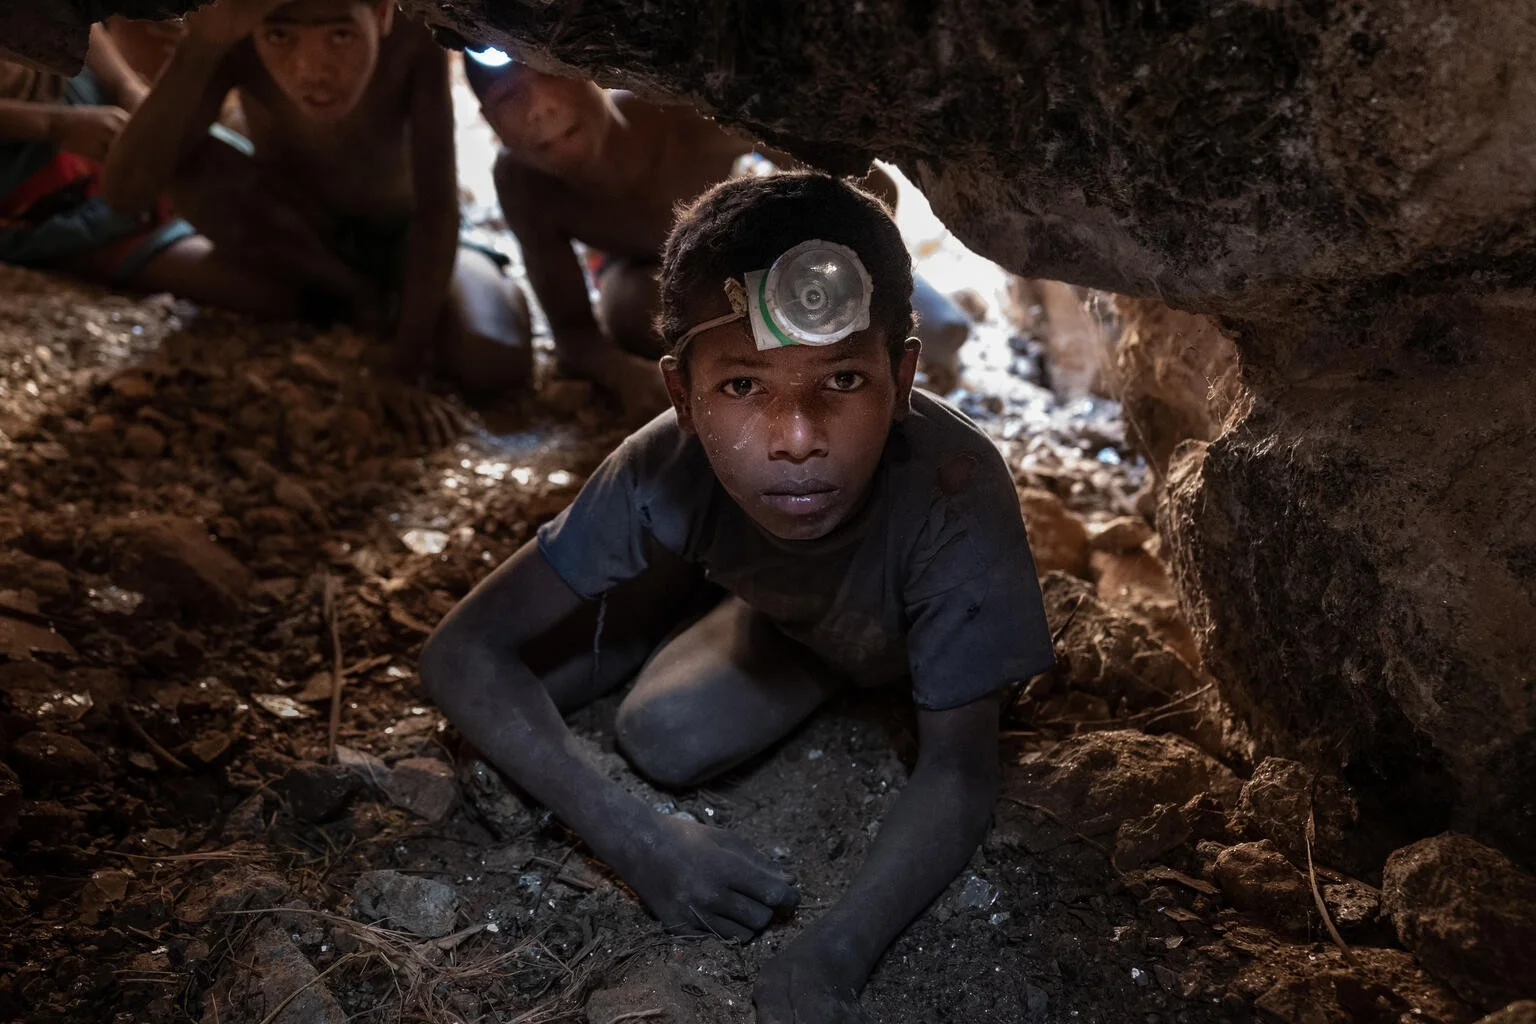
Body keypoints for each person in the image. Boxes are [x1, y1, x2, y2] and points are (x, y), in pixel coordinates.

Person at [421, 172, 1054, 1022]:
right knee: (662, 738)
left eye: (844, 382)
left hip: (870, 646)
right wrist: (641, 843)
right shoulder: (662, 465)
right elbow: (461, 652)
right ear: (681, 393)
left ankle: (759, 620)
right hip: (782, 620)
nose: (797, 438)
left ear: (902, 377)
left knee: (652, 726)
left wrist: (834, 953)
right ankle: (693, 601)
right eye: (743, 386)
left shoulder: (954, 487)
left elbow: (961, 768)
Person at [102, 0, 532, 444]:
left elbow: (437, 207)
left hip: (402, 235)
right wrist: (201, 46)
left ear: (382, 14)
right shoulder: (236, 30)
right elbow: (124, 193)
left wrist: (406, 363)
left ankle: (366, 301)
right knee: (186, 164)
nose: (312, 69)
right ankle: (356, 296)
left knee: (494, 361)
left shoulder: (413, 35)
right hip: (299, 237)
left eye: (340, 36)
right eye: (281, 36)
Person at [464, 53, 971, 415]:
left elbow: (872, 188)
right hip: (646, 272)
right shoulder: (522, 181)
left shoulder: (687, 113)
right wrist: (630, 377)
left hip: (761, 242)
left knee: (942, 330)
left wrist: (840, 276)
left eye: (549, 79)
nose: (538, 111)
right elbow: (574, 334)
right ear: (491, 123)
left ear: (591, 72)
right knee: (634, 312)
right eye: (511, 98)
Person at [0, 24, 290, 311]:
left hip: (85, 102)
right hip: (34, 192)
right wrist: (54, 126)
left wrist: (127, 86)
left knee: (270, 199)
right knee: (267, 289)